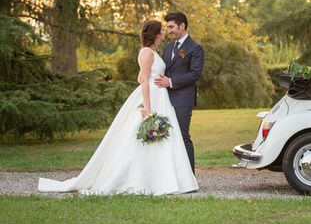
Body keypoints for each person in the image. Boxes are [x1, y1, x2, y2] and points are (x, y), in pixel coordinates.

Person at [38, 20, 198, 195]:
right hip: (152, 96)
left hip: (160, 95)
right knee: (142, 137)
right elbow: (143, 79)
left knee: (163, 139)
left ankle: (164, 178)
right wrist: (147, 106)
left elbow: (140, 76)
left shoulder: (152, 52)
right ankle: (143, 179)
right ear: (155, 34)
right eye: (161, 31)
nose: (163, 34)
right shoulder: (147, 53)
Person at [154, 12, 204, 173]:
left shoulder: (195, 48)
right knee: (166, 136)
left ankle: (189, 175)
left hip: (183, 100)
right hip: (164, 99)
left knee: (182, 136)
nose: (169, 30)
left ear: (182, 26)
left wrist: (171, 82)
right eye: (167, 27)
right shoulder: (168, 48)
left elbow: (195, 74)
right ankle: (171, 174)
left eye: (171, 27)